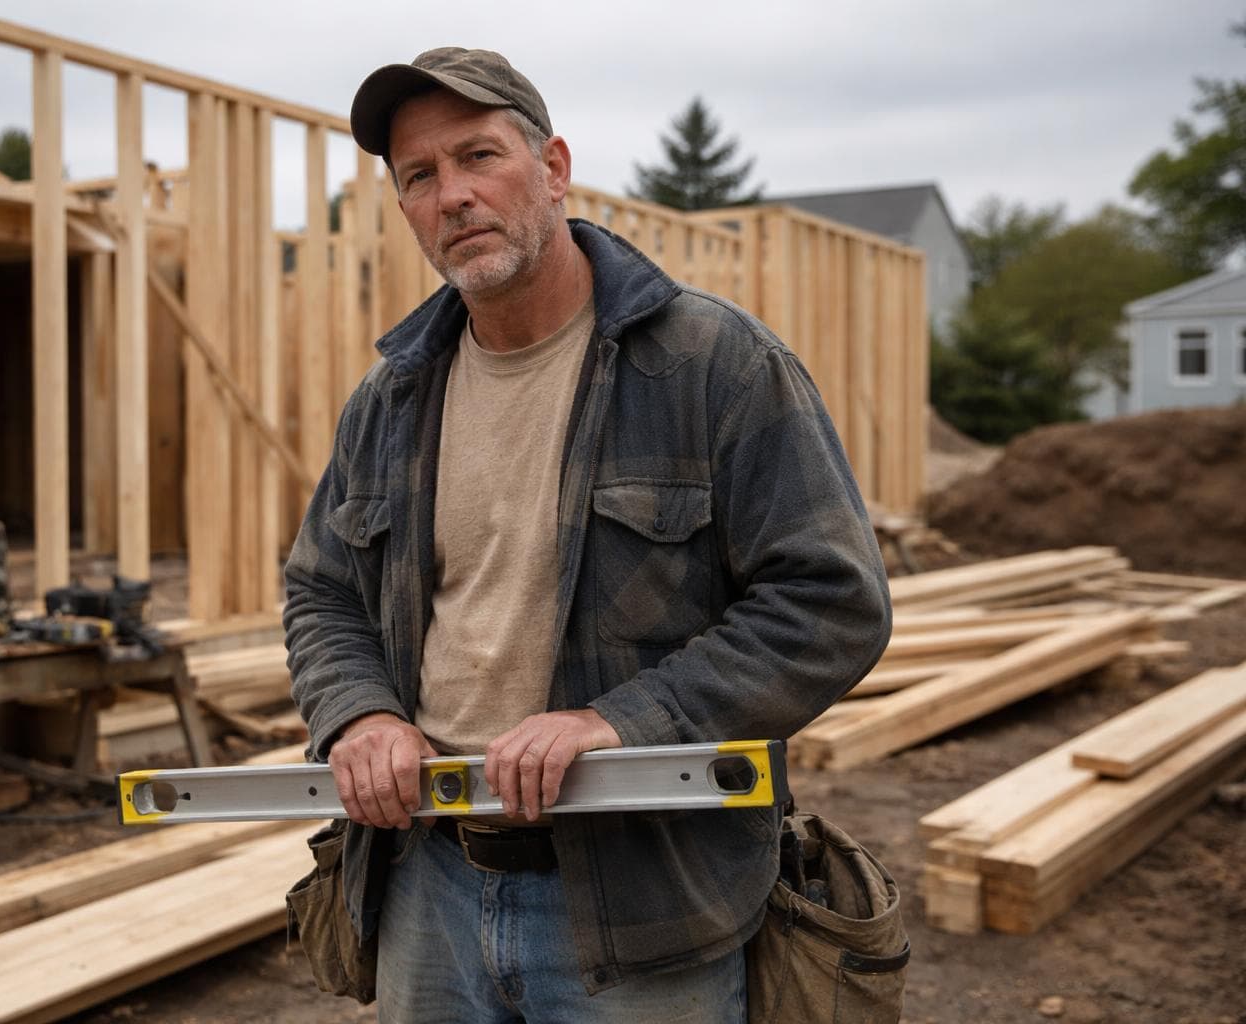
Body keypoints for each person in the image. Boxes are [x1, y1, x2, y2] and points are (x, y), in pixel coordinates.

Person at [284, 46, 891, 1023]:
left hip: (644, 904)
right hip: (428, 887)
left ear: (554, 167)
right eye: (420, 177)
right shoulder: (393, 395)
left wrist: (617, 724)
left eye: (479, 156)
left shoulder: (711, 365)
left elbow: (831, 603)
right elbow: (321, 589)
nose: (453, 196)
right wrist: (359, 713)